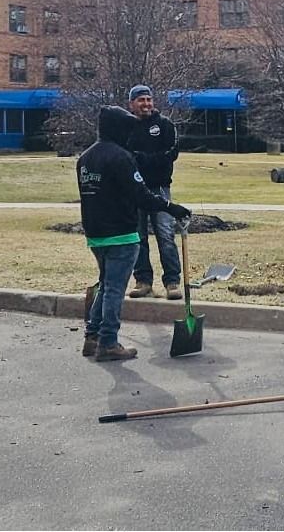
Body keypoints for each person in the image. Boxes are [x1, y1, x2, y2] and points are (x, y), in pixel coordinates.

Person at [78, 105, 192, 362]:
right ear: (117, 129)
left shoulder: (85, 158)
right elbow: (141, 195)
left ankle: (91, 337)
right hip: (121, 233)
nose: (130, 134)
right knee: (115, 290)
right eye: (127, 129)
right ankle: (108, 342)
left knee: (106, 284)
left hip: (95, 234)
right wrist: (170, 207)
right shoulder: (121, 158)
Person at [124, 85, 183, 300]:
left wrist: (143, 160)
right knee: (137, 237)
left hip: (160, 188)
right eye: (141, 100)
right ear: (132, 104)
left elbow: (171, 154)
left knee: (166, 235)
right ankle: (143, 281)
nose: (146, 104)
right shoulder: (126, 127)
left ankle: (172, 282)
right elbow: (124, 157)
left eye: (148, 99)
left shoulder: (165, 125)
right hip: (135, 190)